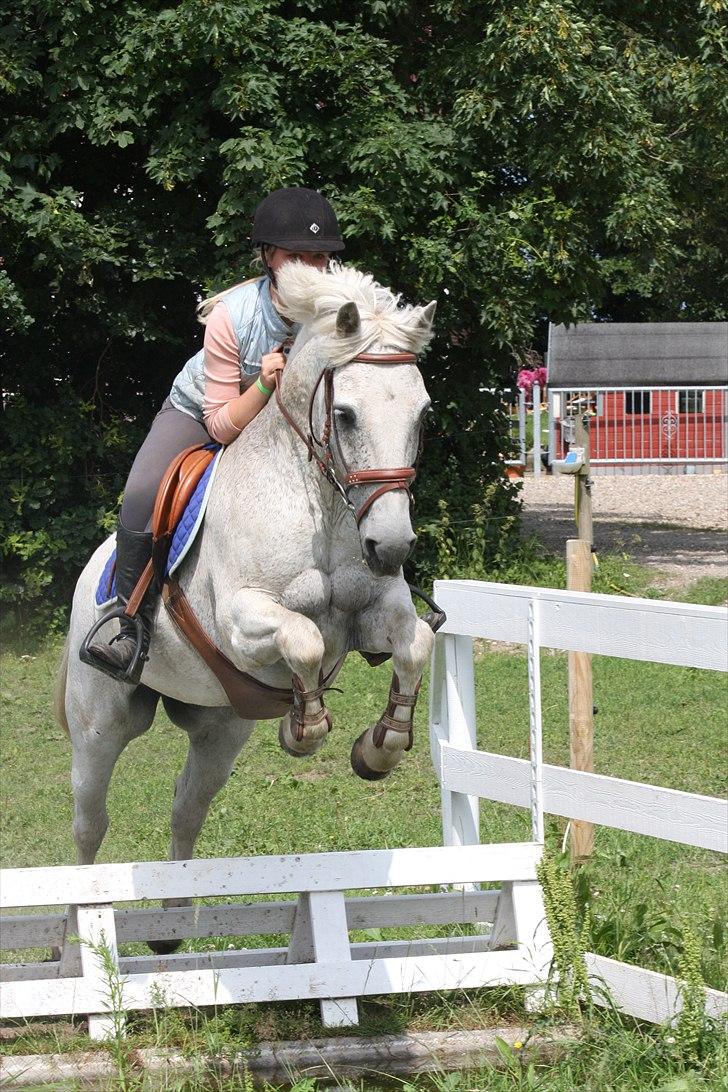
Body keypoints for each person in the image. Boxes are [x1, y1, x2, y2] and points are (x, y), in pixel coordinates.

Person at [82, 187, 345, 684]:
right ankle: (125, 623)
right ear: (268, 257)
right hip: (200, 415)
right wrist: (267, 384)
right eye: (296, 256)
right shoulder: (232, 315)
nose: (310, 269)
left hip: (287, 432)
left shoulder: (335, 312)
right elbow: (221, 424)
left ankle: (373, 600)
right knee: (141, 493)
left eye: (319, 257)